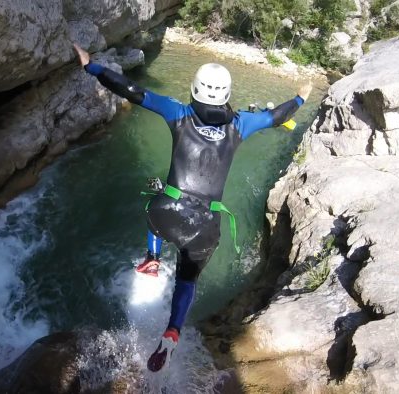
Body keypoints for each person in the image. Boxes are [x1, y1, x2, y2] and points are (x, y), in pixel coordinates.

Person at [72, 44, 312, 372]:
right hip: (204, 226)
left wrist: (91, 66)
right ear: (227, 92)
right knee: (187, 280)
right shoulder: (241, 123)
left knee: (152, 204)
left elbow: (130, 89)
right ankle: (172, 332)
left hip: (166, 211)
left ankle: (152, 259)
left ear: (194, 88)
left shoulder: (177, 112)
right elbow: (278, 115)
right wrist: (300, 97)